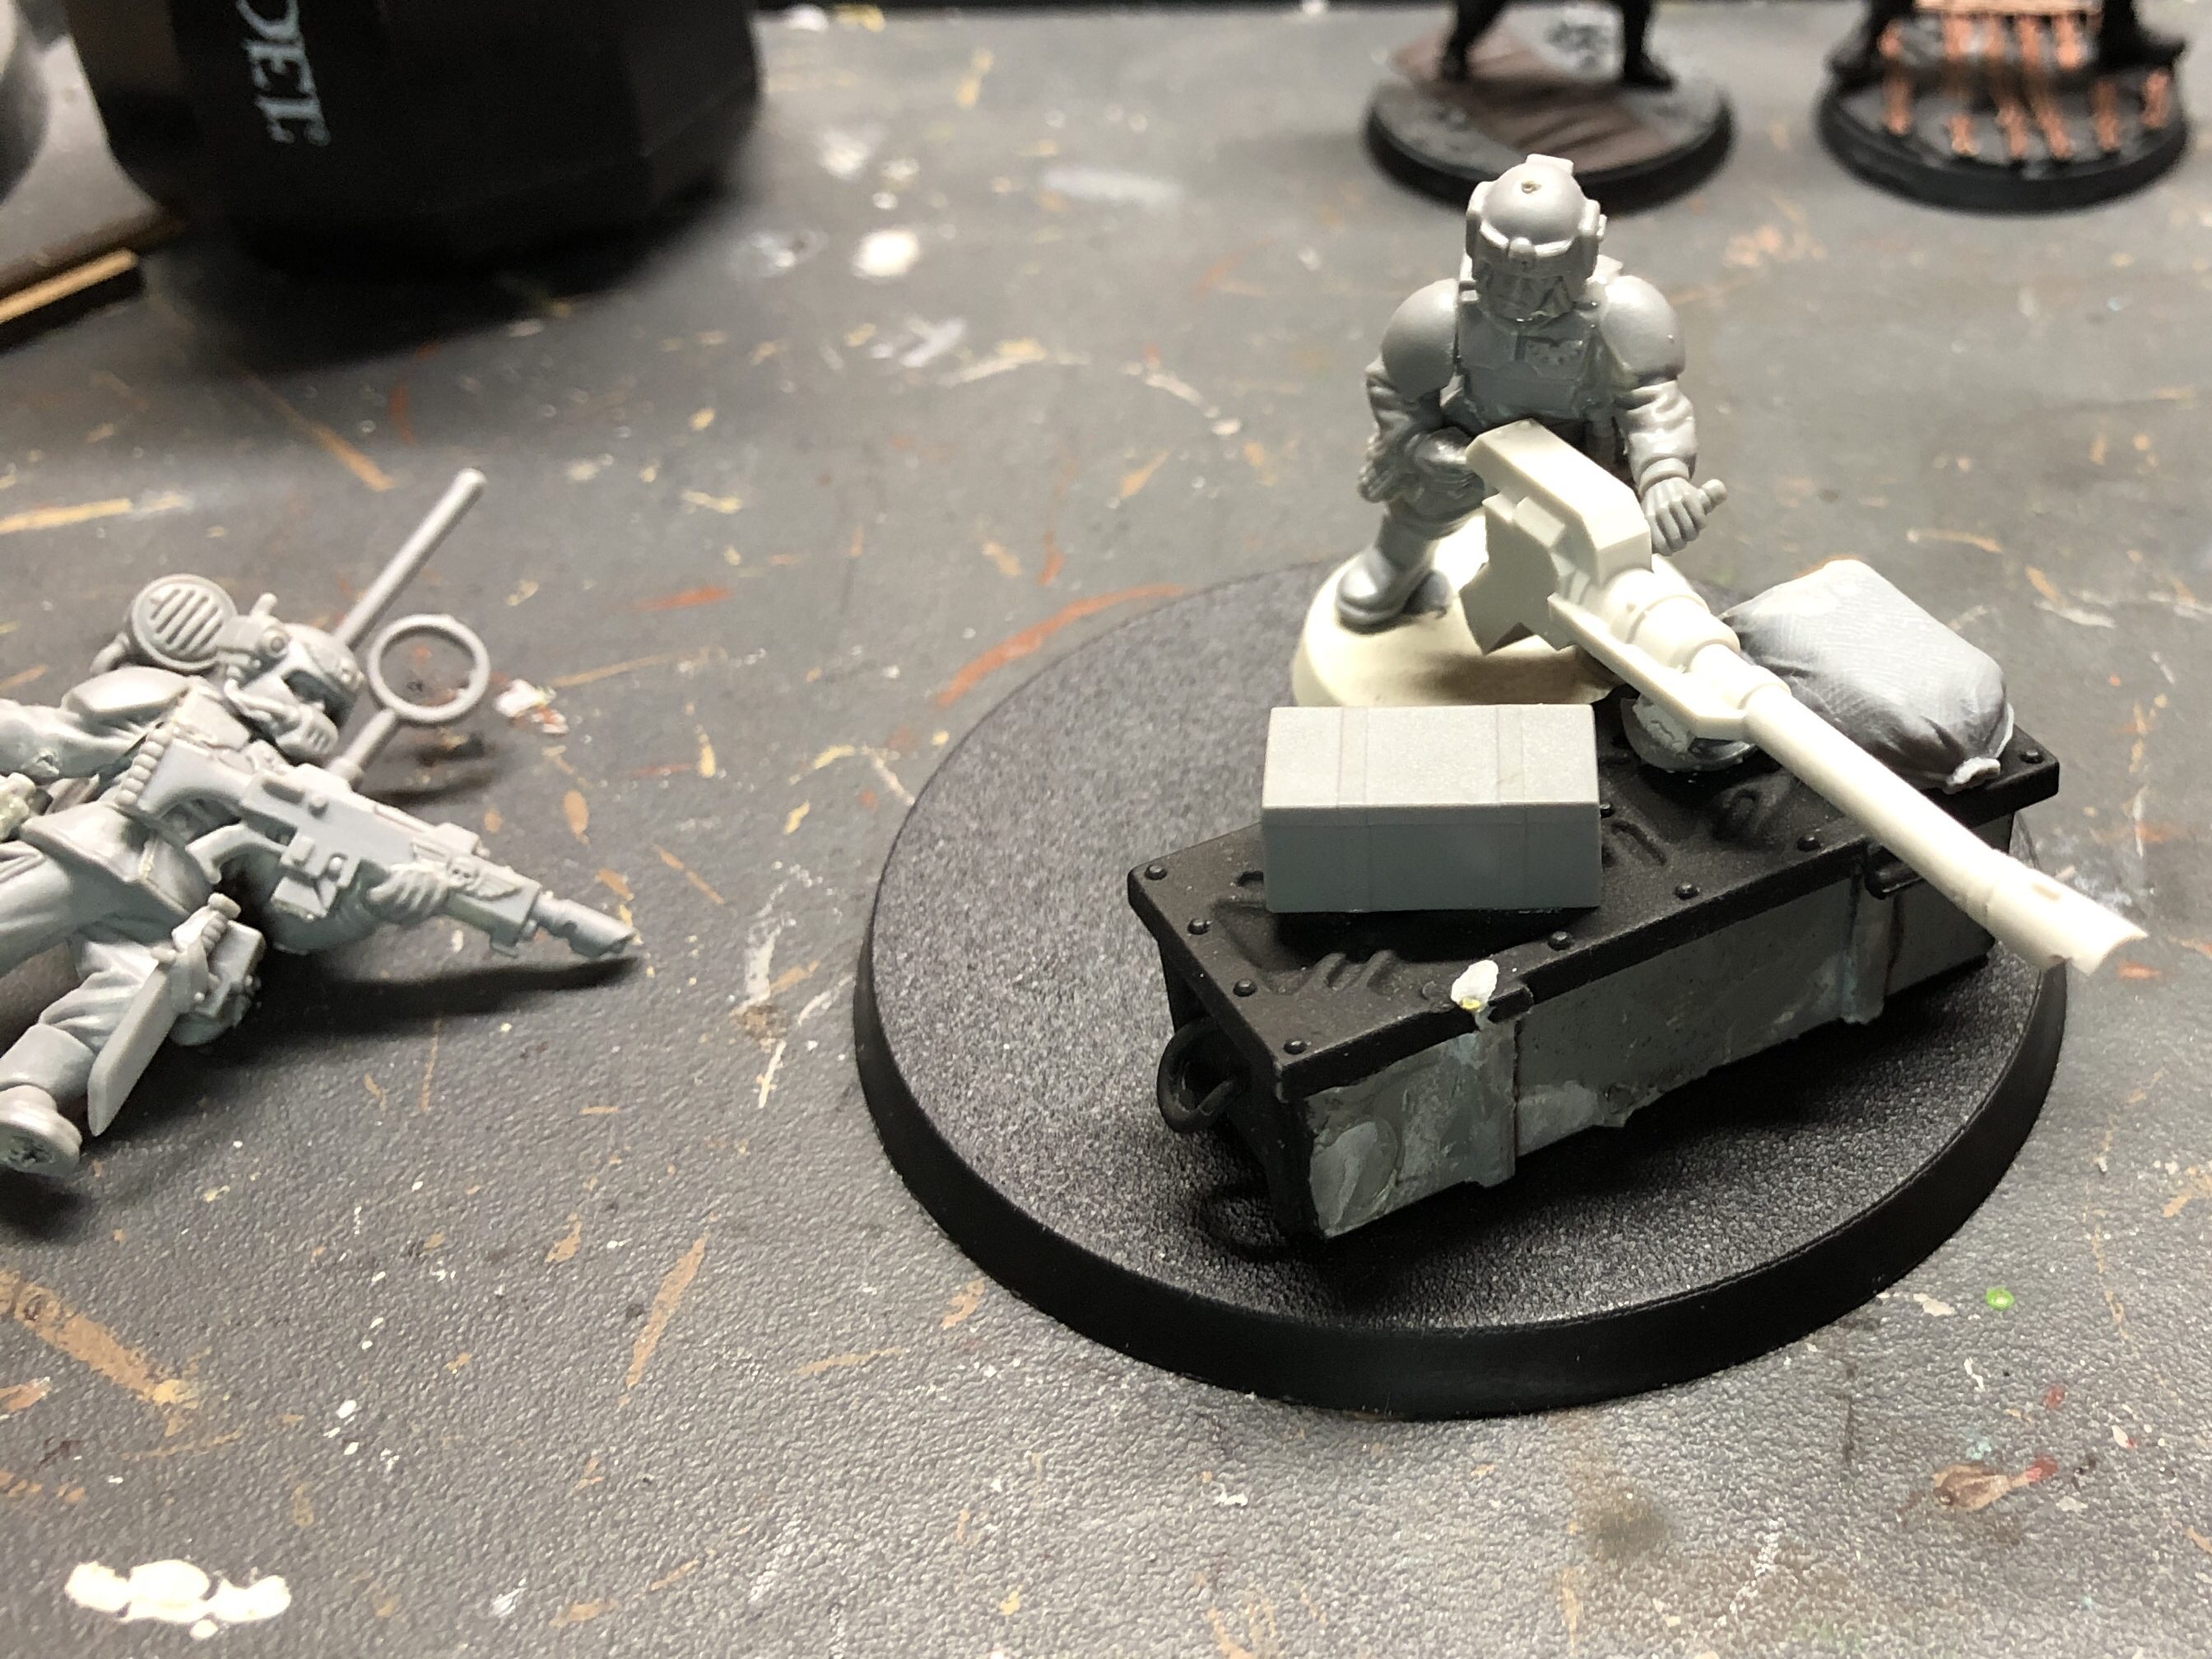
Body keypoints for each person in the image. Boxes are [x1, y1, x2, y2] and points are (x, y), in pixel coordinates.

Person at [1337, 153, 1713, 632]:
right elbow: (1395, 387)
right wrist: (1419, 445)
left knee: (1604, 541)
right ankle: (1396, 564)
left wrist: (1663, 475)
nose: (1516, 294)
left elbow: (1653, 404)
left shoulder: (1622, 313)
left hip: (1581, 451)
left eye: (1539, 282)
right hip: (1475, 442)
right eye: (1500, 276)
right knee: (1422, 505)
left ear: (1580, 258)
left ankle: (1604, 616)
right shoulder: (1445, 313)